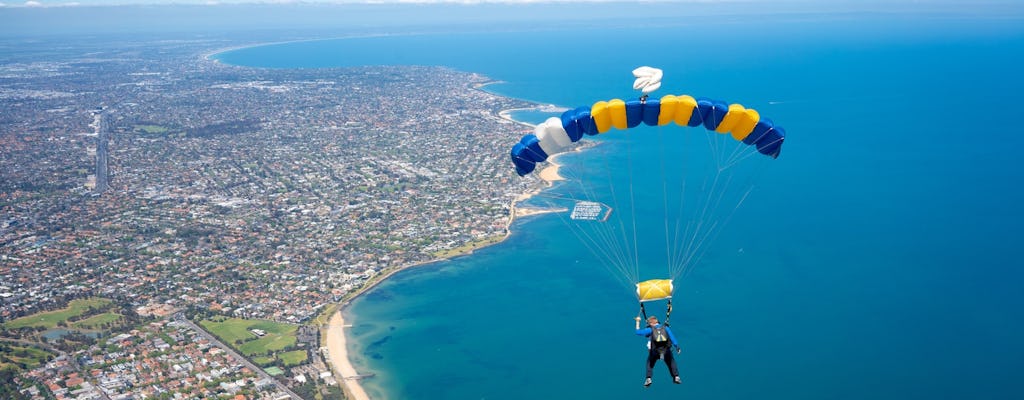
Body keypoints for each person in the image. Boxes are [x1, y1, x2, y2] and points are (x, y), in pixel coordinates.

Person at [634, 315, 681, 387]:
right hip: (666, 351)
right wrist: (677, 347)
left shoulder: (650, 330)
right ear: (657, 321)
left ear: (651, 324)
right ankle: (676, 377)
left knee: (649, 363)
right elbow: (672, 337)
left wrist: (637, 322)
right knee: (671, 362)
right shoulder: (666, 328)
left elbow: (638, 332)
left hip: (655, 352)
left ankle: (648, 378)